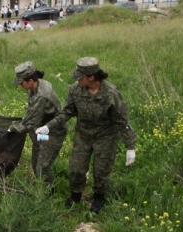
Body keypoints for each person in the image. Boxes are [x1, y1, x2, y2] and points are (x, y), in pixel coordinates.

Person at [35, 57, 137, 214]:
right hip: (83, 135)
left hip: (106, 137)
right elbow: (67, 111)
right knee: (76, 168)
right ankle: (76, 195)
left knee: (101, 171)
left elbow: (122, 121)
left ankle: (98, 197)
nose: (77, 80)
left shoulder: (111, 94)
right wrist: (49, 126)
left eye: (80, 77)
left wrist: (130, 147)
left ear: (91, 77)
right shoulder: (75, 90)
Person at [8, 62, 67, 187]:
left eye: (21, 82)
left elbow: (28, 123)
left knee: (43, 167)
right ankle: (43, 186)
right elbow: (31, 113)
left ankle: (47, 193)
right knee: (35, 162)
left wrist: (10, 128)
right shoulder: (36, 86)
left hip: (53, 133)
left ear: (30, 81)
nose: (19, 85)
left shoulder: (41, 96)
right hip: (41, 131)